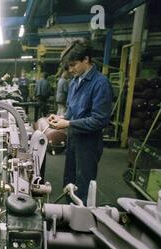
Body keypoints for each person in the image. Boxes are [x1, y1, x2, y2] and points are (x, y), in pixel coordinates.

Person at [47, 39, 113, 204]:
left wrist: (68, 124)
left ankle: (80, 223)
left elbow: (100, 119)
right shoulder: (74, 82)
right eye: (67, 66)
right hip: (74, 140)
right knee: (69, 179)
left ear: (86, 59)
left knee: (83, 185)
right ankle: (68, 214)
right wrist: (61, 117)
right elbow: (71, 111)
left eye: (73, 65)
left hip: (89, 143)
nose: (70, 70)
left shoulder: (100, 83)